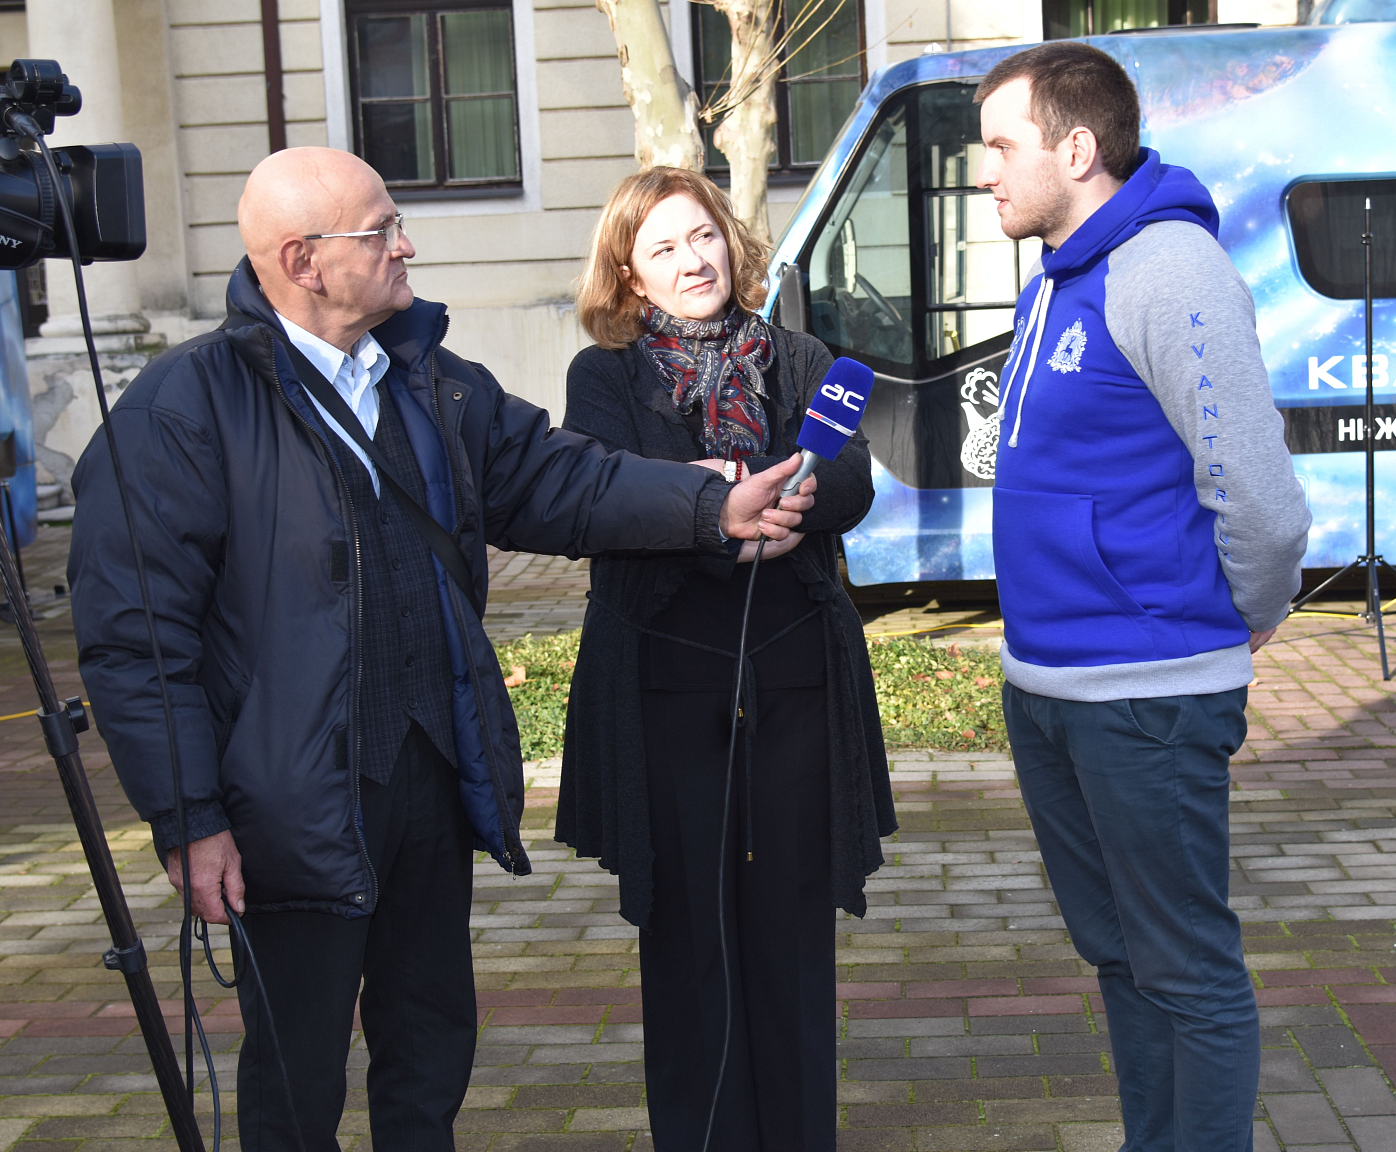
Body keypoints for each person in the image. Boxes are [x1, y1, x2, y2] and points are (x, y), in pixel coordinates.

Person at [66, 147, 815, 1152]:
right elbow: (135, 640)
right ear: (303, 261)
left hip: (429, 775)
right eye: (380, 230)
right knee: (296, 1079)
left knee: (429, 1054)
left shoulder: (430, 379)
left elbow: (562, 480)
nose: (406, 245)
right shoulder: (183, 410)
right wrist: (189, 816)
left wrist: (707, 505)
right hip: (289, 802)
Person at [975, 43, 1311, 1151]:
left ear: (1076, 149)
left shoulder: (1169, 270)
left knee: (1185, 968)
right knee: (1121, 957)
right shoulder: (1059, 272)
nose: (984, 171)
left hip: (1147, 694)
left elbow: (1260, 498)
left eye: (1001, 146)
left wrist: (1248, 612)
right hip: (1050, 685)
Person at [554, 167, 896, 1152]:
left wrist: (788, 499)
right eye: (662, 247)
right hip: (667, 685)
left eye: (702, 236)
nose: (691, 261)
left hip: (794, 677)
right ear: (629, 273)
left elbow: (850, 478)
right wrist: (712, 509)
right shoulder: (604, 377)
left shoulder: (799, 356)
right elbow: (598, 498)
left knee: (791, 936)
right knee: (689, 943)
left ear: (730, 241)